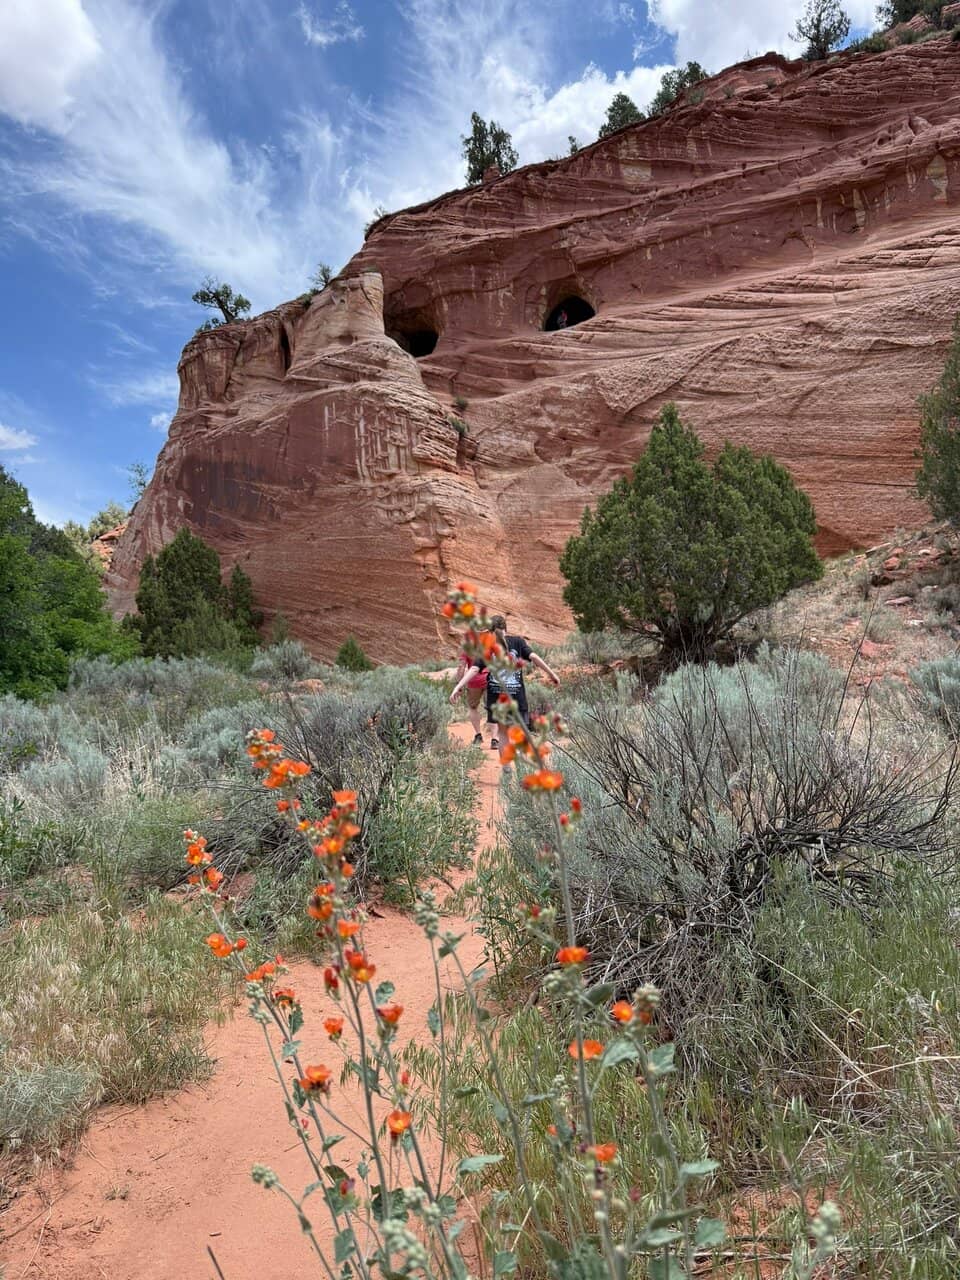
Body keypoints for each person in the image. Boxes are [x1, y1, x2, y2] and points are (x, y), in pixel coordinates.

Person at [484, 615, 560, 747]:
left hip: (496, 695)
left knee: (502, 735)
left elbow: (476, 667)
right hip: (516, 696)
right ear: (506, 627)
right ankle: (521, 763)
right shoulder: (518, 642)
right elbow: (534, 657)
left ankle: (507, 766)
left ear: (490, 631)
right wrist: (551, 674)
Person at [449, 646, 489, 745]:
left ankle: (478, 735)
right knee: (492, 708)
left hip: (474, 681)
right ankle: (495, 739)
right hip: (489, 679)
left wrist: (459, 685)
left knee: (472, 708)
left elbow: (461, 667)